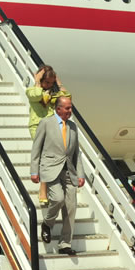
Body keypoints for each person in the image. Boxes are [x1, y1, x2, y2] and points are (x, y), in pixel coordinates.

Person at [30, 96, 85, 255]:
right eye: (67, 108)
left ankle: (65, 244)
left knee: (71, 207)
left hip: (69, 170)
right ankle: (47, 223)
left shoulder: (73, 127)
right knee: (58, 198)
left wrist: (80, 173)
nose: (70, 111)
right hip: (50, 168)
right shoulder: (46, 123)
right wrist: (35, 170)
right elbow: (36, 148)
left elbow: (76, 153)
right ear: (58, 108)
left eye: (70, 108)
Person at [26, 65, 71, 206]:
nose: (49, 85)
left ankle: (43, 188)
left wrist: (58, 82)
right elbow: (36, 95)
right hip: (37, 126)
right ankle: (44, 189)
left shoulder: (53, 94)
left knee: (47, 155)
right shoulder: (33, 90)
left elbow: (67, 97)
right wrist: (38, 81)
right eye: (47, 82)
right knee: (45, 154)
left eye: (51, 83)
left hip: (51, 127)